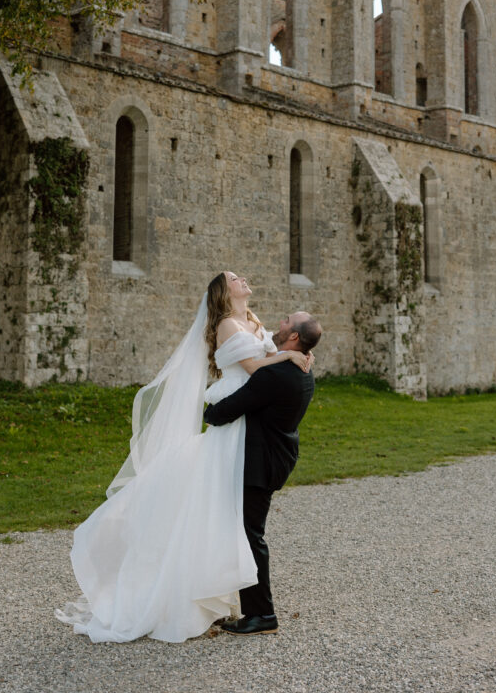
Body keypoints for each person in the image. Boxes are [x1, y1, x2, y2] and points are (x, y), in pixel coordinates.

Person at [55, 270, 313, 644]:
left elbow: (272, 352)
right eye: (234, 278)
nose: (243, 278)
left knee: (230, 519)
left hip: (248, 424)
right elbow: (256, 368)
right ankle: (227, 601)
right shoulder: (226, 324)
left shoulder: (253, 319)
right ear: (224, 292)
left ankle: (235, 598)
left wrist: (299, 353)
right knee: (222, 515)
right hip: (235, 421)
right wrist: (289, 357)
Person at [204, 306, 321, 636]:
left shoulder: (275, 375)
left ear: (294, 336)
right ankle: (248, 607)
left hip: (259, 462)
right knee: (247, 532)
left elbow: (224, 411)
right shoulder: (300, 368)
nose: (278, 324)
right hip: (276, 456)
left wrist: (209, 410)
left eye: (285, 321)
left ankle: (262, 615)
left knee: (250, 535)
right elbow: (266, 342)